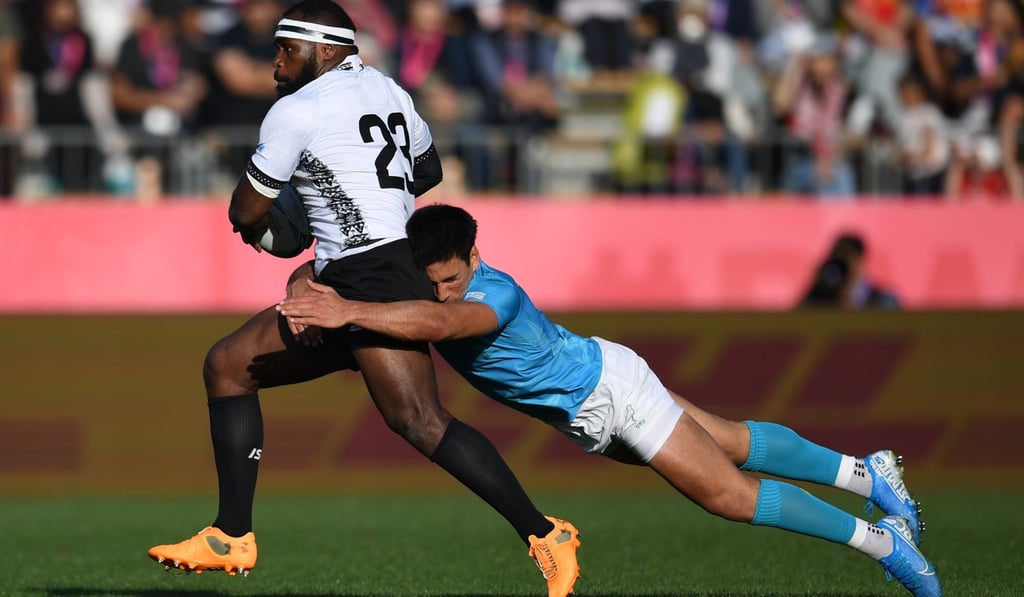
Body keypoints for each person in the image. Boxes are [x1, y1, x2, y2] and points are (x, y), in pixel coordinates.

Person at [277, 203, 943, 597]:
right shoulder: (425, 277)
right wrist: (308, 282)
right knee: (734, 442)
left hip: (612, 394)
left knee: (728, 495)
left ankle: (881, 543)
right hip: (598, 399)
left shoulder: (491, 295)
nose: (444, 290)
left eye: (453, 278)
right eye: (434, 282)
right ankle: (869, 473)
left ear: (473, 255)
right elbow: (335, 262)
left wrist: (346, 311)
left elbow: (443, 326)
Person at [146, 4, 579, 597]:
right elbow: (425, 171)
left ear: (326, 51)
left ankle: (544, 533)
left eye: (286, 50)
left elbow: (243, 212)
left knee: (419, 420)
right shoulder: (391, 90)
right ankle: (231, 535)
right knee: (227, 366)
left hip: (371, 276)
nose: (275, 63)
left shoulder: (296, 110)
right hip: (356, 269)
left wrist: (298, 215)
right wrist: (335, 207)